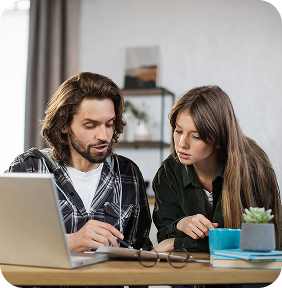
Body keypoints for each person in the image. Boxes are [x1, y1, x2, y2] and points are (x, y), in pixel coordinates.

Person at [7, 72, 152, 252]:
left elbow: (140, 250)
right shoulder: (28, 168)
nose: (103, 136)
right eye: (90, 125)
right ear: (64, 125)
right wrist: (67, 243)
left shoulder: (128, 173)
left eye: (109, 124)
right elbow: (6, 243)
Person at [152, 85, 281, 253]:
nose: (182, 144)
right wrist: (181, 224)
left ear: (219, 139)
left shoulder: (253, 166)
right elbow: (164, 236)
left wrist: (176, 243)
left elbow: (260, 241)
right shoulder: (169, 171)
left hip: (243, 274)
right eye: (178, 130)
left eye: (196, 136)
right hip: (190, 274)